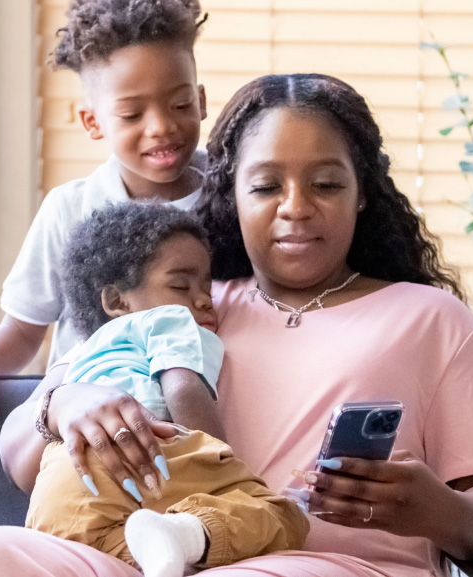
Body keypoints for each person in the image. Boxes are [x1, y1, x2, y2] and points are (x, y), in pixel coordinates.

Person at [0, 74, 473, 577]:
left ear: (363, 194)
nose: (295, 206)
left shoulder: (432, 320)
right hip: (146, 556)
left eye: (326, 184)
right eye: (266, 185)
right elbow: (16, 458)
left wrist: (440, 512)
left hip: (331, 566)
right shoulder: (179, 303)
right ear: (232, 196)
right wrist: (63, 403)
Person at [0, 0, 209, 419]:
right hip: (85, 423)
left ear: (202, 100)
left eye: (181, 105)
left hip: (194, 416)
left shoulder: (231, 195)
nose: (161, 126)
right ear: (92, 122)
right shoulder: (70, 208)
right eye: (132, 114)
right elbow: (23, 329)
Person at [26, 202, 308, 577]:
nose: (204, 299)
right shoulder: (169, 320)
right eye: (180, 285)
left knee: (113, 548)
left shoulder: (84, 350)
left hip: (64, 479)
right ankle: (186, 535)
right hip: (149, 449)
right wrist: (220, 461)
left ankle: (163, 548)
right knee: (283, 517)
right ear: (115, 300)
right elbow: (182, 386)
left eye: (207, 285)